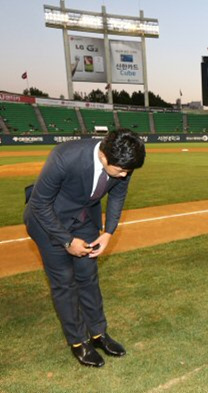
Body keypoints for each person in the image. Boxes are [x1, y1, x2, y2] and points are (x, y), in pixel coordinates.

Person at [23, 129, 146, 368]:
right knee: (64, 282)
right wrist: (67, 241)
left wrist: (109, 233)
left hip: (83, 219)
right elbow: (39, 204)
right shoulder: (65, 156)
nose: (124, 175)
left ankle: (98, 333)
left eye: (128, 171)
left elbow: (118, 196)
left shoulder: (123, 161)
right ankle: (78, 341)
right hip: (49, 221)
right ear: (104, 156)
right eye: (120, 170)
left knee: (88, 278)